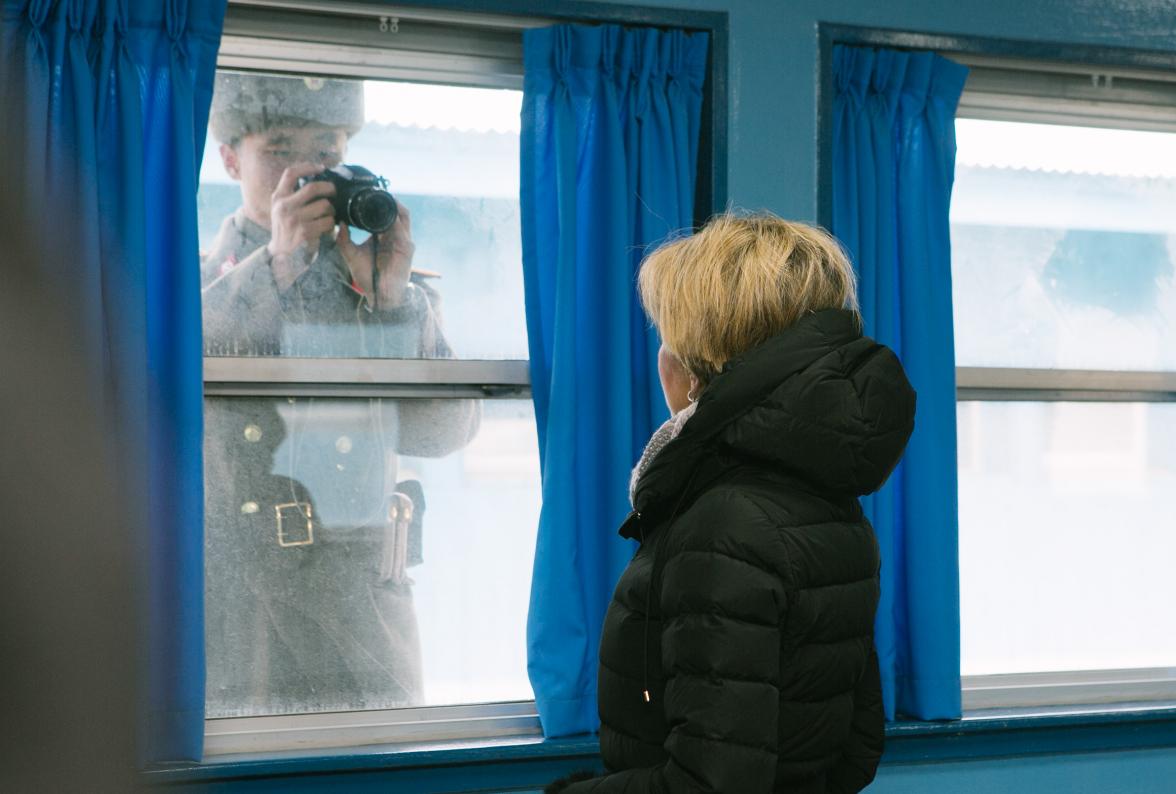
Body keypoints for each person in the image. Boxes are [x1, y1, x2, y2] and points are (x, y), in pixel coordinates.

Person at [548, 214, 916, 793]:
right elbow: (857, 745)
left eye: (667, 332)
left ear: (697, 365)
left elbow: (709, 785)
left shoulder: (724, 523)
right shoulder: (824, 500)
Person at [200, 73, 480, 715]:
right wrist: (273, 270)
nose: (306, 168)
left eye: (327, 148)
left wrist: (390, 303)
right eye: (279, 147)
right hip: (240, 615)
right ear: (230, 158)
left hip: (362, 614)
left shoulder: (391, 281)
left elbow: (447, 436)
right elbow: (160, 407)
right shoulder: (195, 287)